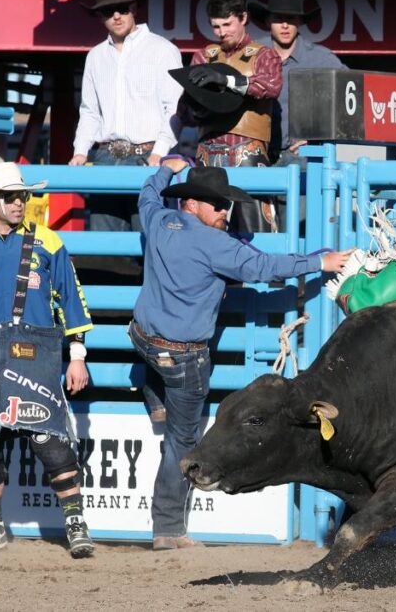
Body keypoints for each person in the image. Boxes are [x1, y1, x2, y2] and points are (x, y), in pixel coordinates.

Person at [130, 160, 352, 550]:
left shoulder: (159, 222)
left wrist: (165, 169)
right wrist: (321, 261)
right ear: (191, 205)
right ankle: (167, 528)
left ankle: (153, 394)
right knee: (183, 440)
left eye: (225, 205)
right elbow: (265, 267)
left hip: (144, 338)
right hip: (184, 356)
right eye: (215, 205)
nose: (223, 212)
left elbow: (146, 195)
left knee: (150, 356)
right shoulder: (216, 245)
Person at [0, 163, 94, 557]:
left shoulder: (49, 242)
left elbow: (71, 300)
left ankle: (76, 524)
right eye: (10, 196)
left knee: (49, 439)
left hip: (34, 353)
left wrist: (76, 355)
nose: (18, 202)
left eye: (22, 195)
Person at [70, 0, 183, 231]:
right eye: (108, 12)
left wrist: (159, 152)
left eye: (122, 9)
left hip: (148, 157)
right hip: (104, 157)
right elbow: (89, 111)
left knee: (150, 244)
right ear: (101, 17)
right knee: (105, 248)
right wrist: (80, 151)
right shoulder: (96, 56)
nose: (116, 16)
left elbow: (175, 108)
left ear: (134, 9)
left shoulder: (163, 50)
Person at [179, 0, 283, 232]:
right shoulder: (203, 56)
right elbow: (185, 112)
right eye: (216, 26)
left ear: (243, 18)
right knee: (205, 230)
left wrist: (226, 81)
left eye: (227, 24)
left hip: (247, 153)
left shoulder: (264, 55)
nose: (221, 32)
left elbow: (271, 86)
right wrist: (195, 102)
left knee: (256, 230)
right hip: (207, 153)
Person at [247, 0, 347, 166]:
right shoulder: (252, 54)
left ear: (299, 22)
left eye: (291, 19)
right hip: (254, 154)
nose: (285, 25)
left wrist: (320, 138)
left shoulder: (321, 59)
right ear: (268, 21)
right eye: (278, 18)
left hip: (301, 158)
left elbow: (352, 99)